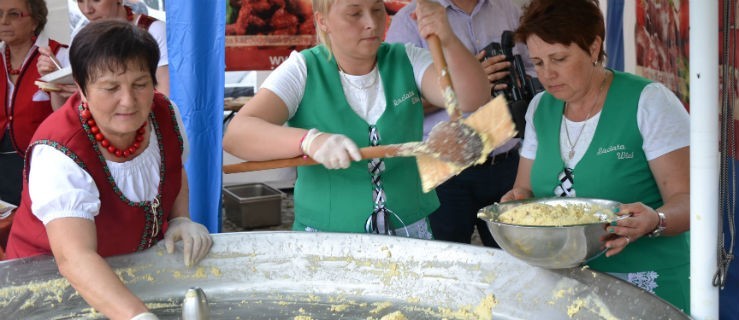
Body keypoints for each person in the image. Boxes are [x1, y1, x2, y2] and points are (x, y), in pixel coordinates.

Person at [223, 0, 489, 238]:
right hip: (327, 236)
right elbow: (237, 135)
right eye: (354, 13)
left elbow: (472, 98)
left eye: (377, 10)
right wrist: (309, 141)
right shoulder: (302, 69)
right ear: (322, 20)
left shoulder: (406, 58)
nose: (371, 23)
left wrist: (448, 39)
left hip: (409, 228)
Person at [4, 20, 212, 320]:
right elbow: (75, 257)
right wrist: (139, 317)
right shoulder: (59, 150)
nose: (128, 101)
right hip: (51, 291)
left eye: (140, 84)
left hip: (128, 274)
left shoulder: (164, 113)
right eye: (110, 87)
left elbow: (174, 167)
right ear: (82, 88)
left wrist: (181, 218)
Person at [501, 0, 690, 312]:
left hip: (645, 285)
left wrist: (656, 220)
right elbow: (527, 192)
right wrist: (517, 200)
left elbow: (689, 199)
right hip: (563, 285)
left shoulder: (648, 102)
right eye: (538, 63)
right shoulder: (540, 108)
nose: (548, 74)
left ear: (593, 47)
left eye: (558, 59)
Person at [386, 0, 534, 247]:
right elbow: (396, 105)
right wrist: (471, 83)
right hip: (444, 170)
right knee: (446, 265)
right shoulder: (409, 20)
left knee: (516, 261)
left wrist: (518, 78)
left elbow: (534, 66)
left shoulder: (510, 10)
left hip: (506, 163)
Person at [0, 0, 67, 258]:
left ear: (36, 19)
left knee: (33, 246)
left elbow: (69, 116)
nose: (4, 21)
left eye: (14, 14)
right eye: (0, 14)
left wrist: (56, 81)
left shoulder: (59, 57)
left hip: (39, 170)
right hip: (2, 171)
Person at [37, 0, 169, 101]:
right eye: (80, 0)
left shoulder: (153, 30)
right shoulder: (81, 39)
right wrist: (56, 81)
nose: (87, 9)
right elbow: (61, 110)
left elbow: (165, 97)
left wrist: (89, 95)